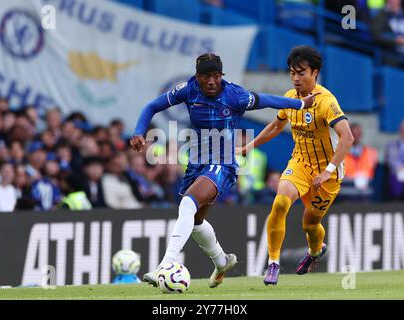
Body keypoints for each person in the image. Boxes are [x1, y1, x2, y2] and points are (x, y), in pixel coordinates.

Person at [130, 53, 318, 288]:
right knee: (196, 220)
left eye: (216, 76)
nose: (211, 81)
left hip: (223, 163)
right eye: (206, 76)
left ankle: (165, 264)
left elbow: (268, 100)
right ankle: (222, 261)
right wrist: (139, 131)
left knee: (187, 205)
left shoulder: (235, 95)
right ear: (197, 77)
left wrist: (300, 103)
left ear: (221, 76)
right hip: (197, 162)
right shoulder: (188, 89)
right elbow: (152, 106)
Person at [238, 46, 354, 286]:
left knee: (310, 224)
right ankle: (273, 264)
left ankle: (315, 251)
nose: (296, 78)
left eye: (301, 73)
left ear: (315, 72)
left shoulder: (326, 102)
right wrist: (250, 146)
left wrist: (328, 171)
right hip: (300, 163)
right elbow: (276, 125)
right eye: (292, 73)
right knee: (280, 203)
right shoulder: (290, 98)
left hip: (328, 174)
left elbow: (348, 137)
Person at [340, 123, 378, 201]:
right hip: (346, 197)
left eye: (358, 134)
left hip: (366, 196)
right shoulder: (340, 153)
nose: (355, 136)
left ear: (361, 135)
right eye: (353, 134)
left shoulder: (371, 153)